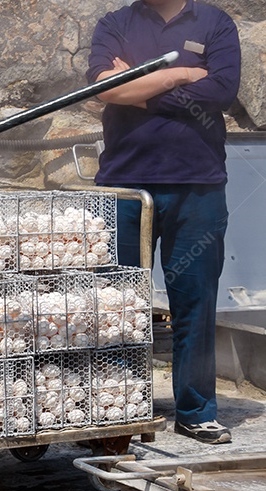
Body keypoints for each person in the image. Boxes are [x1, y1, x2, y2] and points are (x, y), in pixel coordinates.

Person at [87, 0, 240, 444]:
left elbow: (221, 92)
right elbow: (103, 88)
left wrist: (138, 85)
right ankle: (118, 407)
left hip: (198, 188)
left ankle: (196, 411)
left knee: (195, 302)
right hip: (125, 188)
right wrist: (182, 73)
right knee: (116, 306)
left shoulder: (215, 23)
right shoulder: (115, 23)